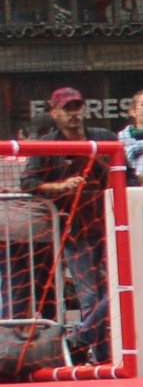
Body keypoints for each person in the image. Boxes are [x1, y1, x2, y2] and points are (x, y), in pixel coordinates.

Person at [27, 88, 116, 364]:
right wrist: (61, 186)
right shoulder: (45, 146)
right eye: (67, 108)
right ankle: (101, 358)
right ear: (54, 113)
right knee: (91, 296)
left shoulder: (105, 139)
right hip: (73, 231)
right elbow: (29, 186)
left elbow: (129, 177)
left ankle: (80, 339)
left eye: (77, 107)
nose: (74, 113)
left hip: (111, 227)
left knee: (120, 288)